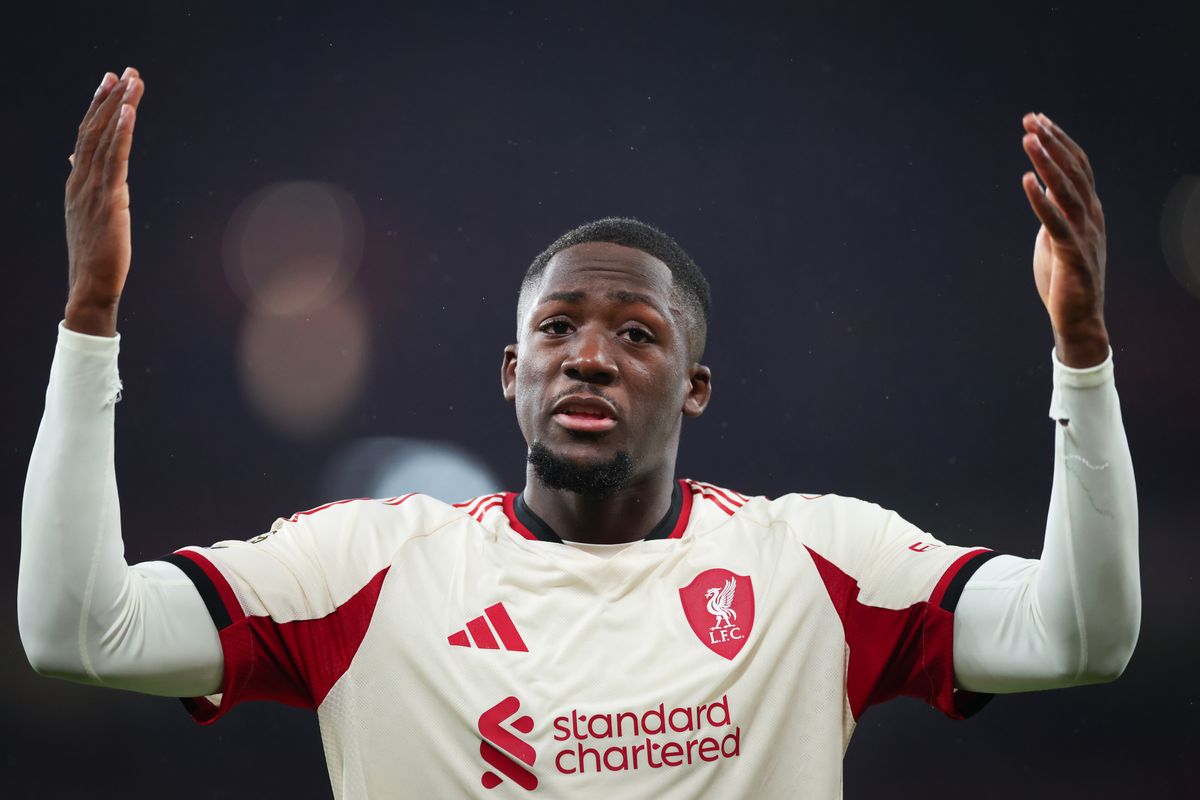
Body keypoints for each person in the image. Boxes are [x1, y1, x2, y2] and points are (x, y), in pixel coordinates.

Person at [19, 67, 1139, 799]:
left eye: (636, 333)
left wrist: (1080, 351)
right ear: (514, 374)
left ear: (695, 387)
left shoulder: (817, 562)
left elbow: (1083, 636)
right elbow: (79, 630)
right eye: (556, 327)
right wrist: (88, 319)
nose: (588, 353)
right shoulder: (367, 562)